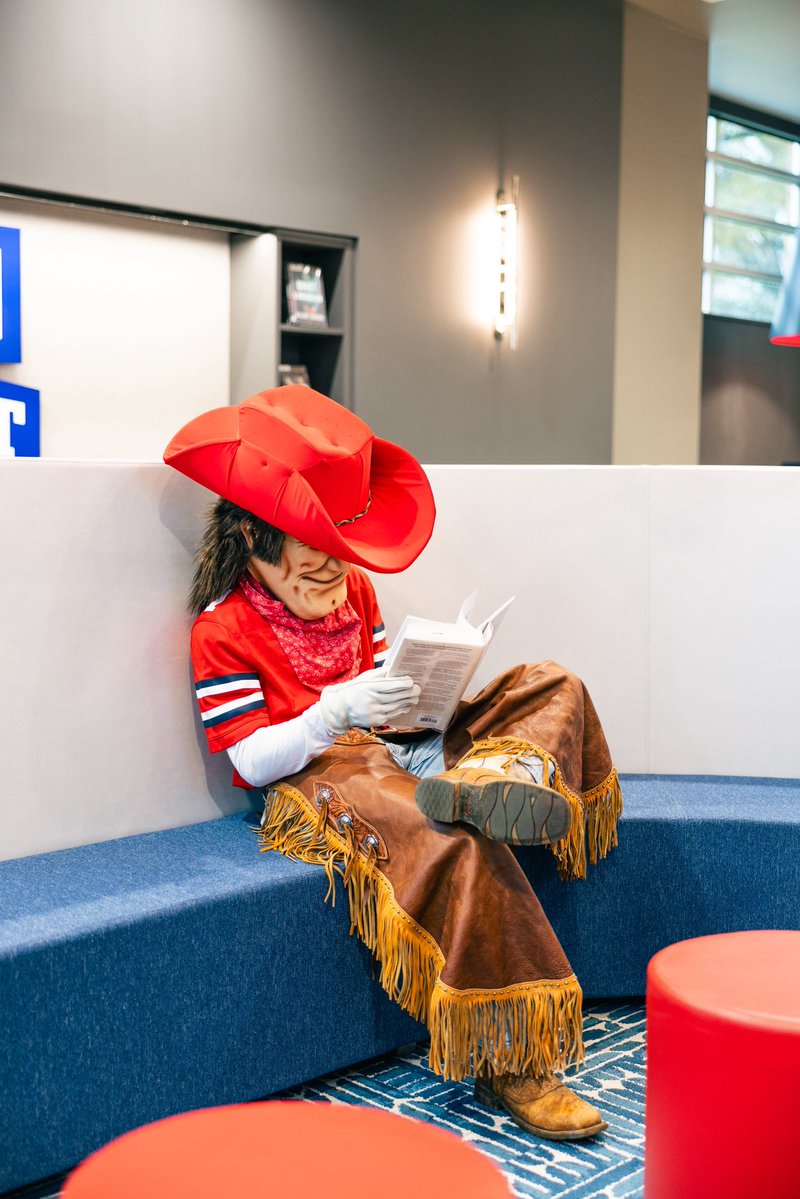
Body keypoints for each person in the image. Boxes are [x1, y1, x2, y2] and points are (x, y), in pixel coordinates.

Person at [164, 386, 622, 1142]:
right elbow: (251, 760)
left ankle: (492, 779)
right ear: (252, 536)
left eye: (338, 551)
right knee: (460, 840)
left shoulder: (357, 589)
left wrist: (423, 709)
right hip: (315, 776)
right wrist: (333, 711)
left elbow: (384, 702)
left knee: (551, 684)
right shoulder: (223, 628)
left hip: (389, 746)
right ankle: (513, 1056)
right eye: (309, 554)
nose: (330, 571)